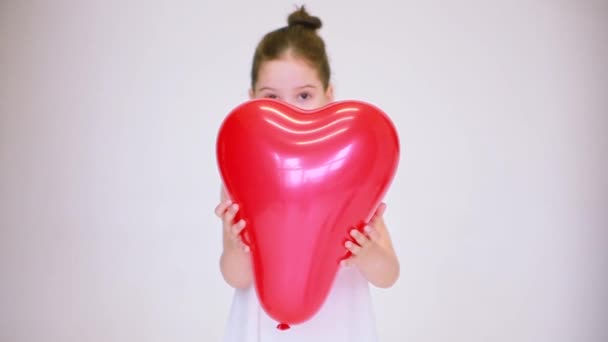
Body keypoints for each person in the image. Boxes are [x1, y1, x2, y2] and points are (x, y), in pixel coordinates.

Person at [214, 6, 399, 342]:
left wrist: (367, 252)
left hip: (338, 327)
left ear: (329, 96)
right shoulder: (242, 168)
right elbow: (238, 278)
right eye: (271, 97)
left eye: (303, 95)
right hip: (264, 329)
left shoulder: (353, 169)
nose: (287, 109)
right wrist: (233, 245)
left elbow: (389, 274)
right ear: (251, 99)